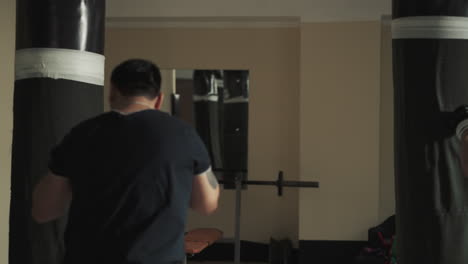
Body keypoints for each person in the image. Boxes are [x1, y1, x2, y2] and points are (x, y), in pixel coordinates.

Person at [31, 59, 220, 264]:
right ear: (159, 99)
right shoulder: (183, 135)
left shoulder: (81, 134)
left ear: (112, 92)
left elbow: (44, 211)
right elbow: (206, 204)